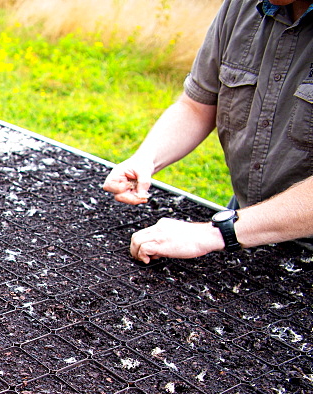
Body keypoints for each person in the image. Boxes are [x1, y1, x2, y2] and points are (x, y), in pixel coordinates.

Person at [102, 0, 312, 264]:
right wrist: (147, 158)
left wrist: (215, 234)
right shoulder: (241, 7)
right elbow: (197, 106)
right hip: (245, 224)